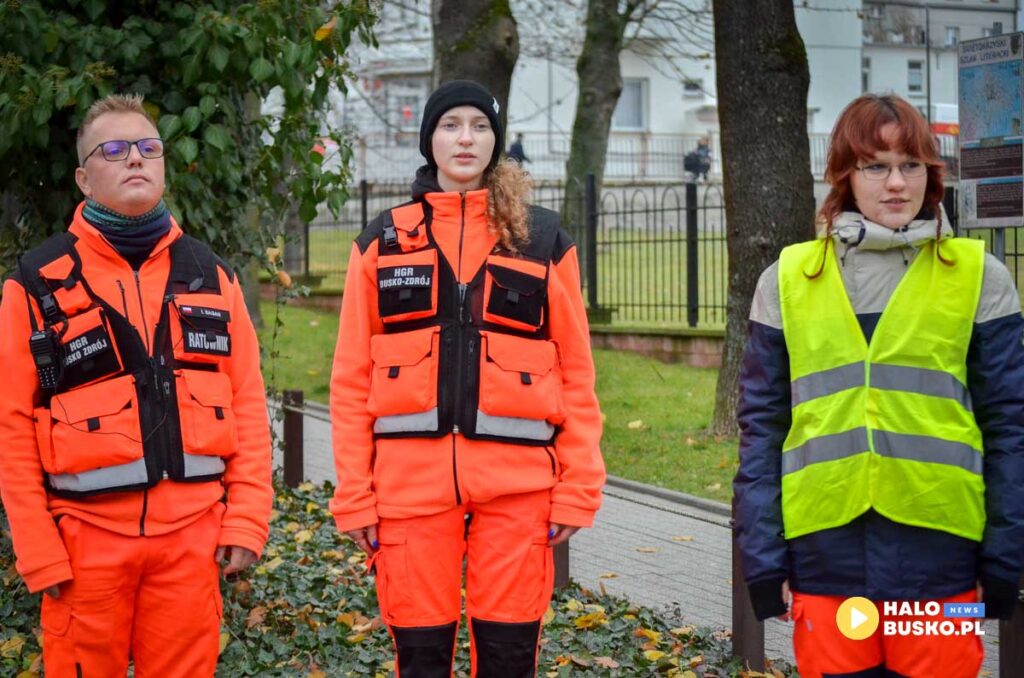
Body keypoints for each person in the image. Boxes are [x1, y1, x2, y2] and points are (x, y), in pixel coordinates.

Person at [734, 93, 1024, 678]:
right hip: (826, 556)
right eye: (875, 166)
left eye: (910, 164)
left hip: (941, 555)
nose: (896, 183)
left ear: (930, 173)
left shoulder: (980, 277)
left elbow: (1010, 427)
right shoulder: (786, 279)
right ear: (844, 173)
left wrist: (1004, 556)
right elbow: (761, 431)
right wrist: (763, 559)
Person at [330, 80, 605, 677]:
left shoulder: (540, 239)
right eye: (450, 125)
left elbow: (576, 373)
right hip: (408, 493)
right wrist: (354, 495)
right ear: (429, 138)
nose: (465, 139)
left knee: (509, 658)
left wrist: (578, 487)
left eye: (480, 127)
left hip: (519, 494)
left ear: (495, 142)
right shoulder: (382, 240)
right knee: (421, 659)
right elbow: (351, 379)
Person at [0, 94, 273, 676]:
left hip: (192, 543)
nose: (135, 159)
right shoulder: (35, 284)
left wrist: (247, 517)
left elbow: (249, 403)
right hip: (83, 546)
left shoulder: (210, 275)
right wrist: (38, 547)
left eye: (149, 147)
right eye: (115, 149)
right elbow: (12, 425)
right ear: (83, 178)